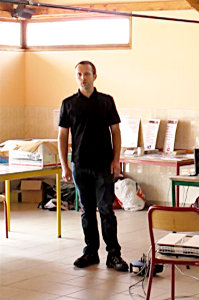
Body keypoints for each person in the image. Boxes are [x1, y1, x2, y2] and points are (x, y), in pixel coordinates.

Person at [58, 60, 128, 272]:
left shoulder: (106, 101)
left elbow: (115, 132)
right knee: (86, 211)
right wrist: (65, 166)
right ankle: (91, 252)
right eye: (79, 74)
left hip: (103, 166)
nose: (83, 78)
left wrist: (116, 160)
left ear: (94, 76)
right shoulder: (68, 103)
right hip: (80, 165)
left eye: (87, 74)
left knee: (106, 209)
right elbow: (62, 135)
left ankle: (114, 255)